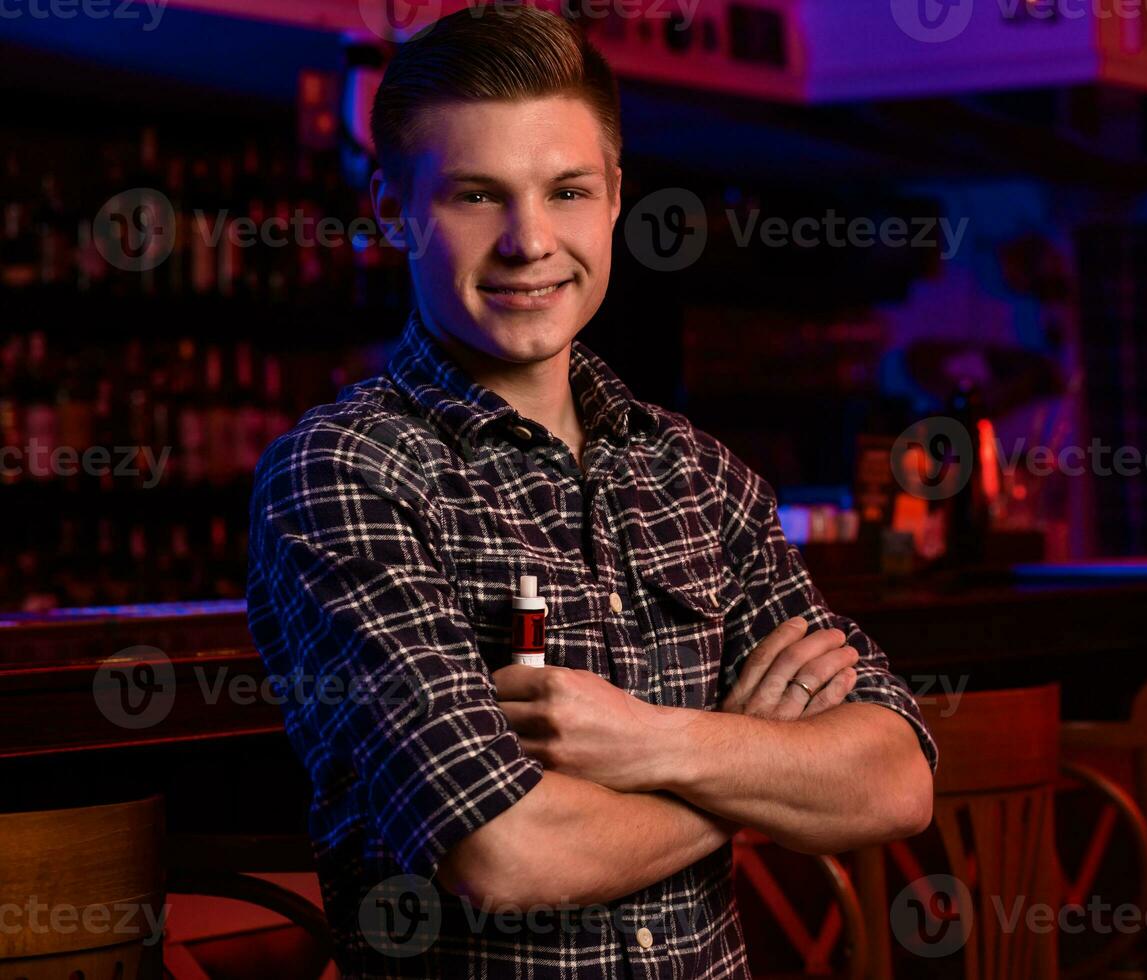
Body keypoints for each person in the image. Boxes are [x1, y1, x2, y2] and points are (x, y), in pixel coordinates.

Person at [246, 6, 937, 977]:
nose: (531, 241)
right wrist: (755, 768)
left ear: (615, 196)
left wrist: (651, 740)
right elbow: (504, 852)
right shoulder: (345, 474)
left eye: (566, 189)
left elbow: (896, 777)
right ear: (392, 208)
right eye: (478, 195)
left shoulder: (698, 471)